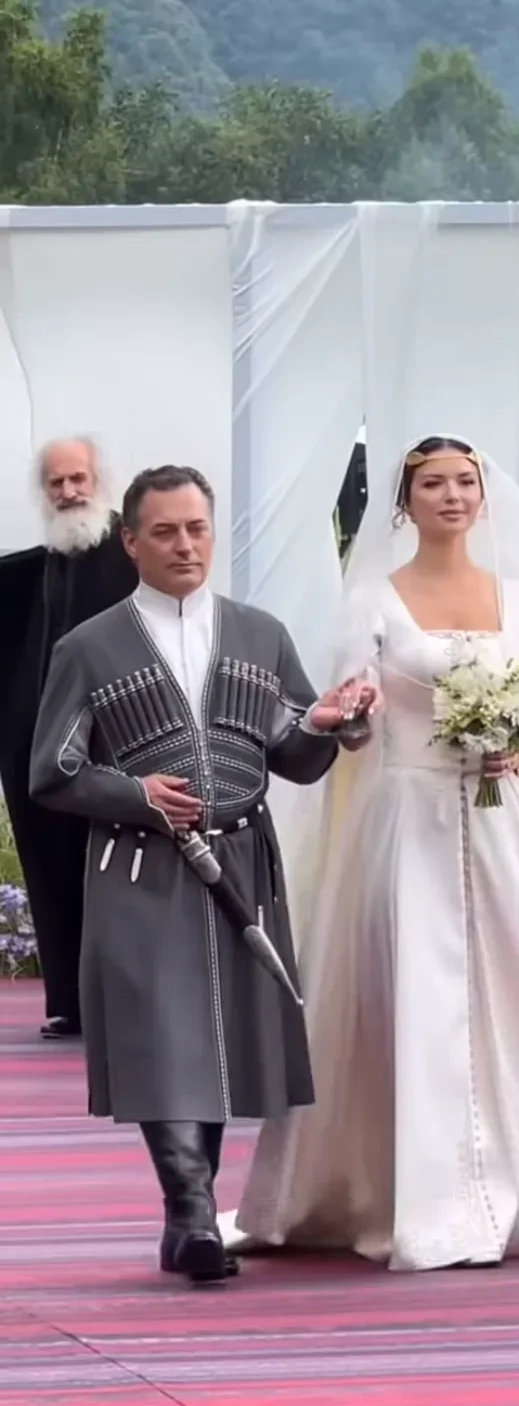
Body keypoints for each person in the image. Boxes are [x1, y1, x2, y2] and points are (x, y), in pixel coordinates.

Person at [221, 435, 519, 1271]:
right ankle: (406, 1189)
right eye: (434, 484)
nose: (452, 496)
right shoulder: (372, 597)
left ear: (484, 495)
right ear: (404, 502)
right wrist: (355, 717)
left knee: (516, 983)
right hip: (408, 816)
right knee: (411, 989)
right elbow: (351, 718)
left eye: (465, 482)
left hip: (500, 819)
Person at [28, 465, 374, 1283]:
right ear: (130, 542)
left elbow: (294, 755)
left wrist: (333, 724)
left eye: (197, 529)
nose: (185, 545)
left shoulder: (261, 635)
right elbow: (50, 771)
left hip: (243, 860)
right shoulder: (89, 648)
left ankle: (192, 1217)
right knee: (164, 1033)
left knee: (219, 1035)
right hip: (137, 865)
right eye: (165, 532)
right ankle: (189, 1214)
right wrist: (135, 794)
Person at [0, 438, 137, 1039]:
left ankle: (121, 1003)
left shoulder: (131, 556)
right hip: (44, 755)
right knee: (54, 874)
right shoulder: (45, 562)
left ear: (99, 481)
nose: (69, 492)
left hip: (113, 753)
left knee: (115, 876)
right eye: (56, 483)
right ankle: (71, 1002)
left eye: (78, 479)